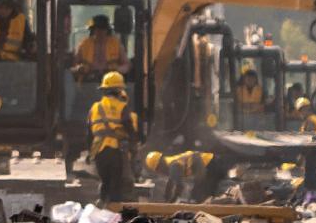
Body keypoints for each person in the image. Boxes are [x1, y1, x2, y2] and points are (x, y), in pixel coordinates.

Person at [89, 70, 140, 204]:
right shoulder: (122, 107)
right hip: (115, 151)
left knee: (104, 182)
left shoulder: (95, 108)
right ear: (119, 90)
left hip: (98, 152)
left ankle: (101, 207)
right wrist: (134, 145)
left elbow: (89, 133)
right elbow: (129, 128)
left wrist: (89, 153)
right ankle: (114, 214)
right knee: (116, 186)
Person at [147, 148, 227, 203]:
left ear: (160, 165)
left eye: (158, 170)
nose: (160, 172)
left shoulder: (173, 166)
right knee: (199, 194)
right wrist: (166, 199)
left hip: (212, 165)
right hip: (212, 163)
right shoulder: (170, 162)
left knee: (199, 196)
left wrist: (171, 202)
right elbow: (170, 183)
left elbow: (180, 186)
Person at [72, 14, 125, 82]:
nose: (100, 31)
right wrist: (79, 68)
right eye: (97, 28)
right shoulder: (84, 45)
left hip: (112, 82)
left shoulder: (116, 44)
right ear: (93, 30)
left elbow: (127, 65)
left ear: (107, 30)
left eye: (103, 28)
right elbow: (74, 66)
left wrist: (117, 69)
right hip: (87, 81)